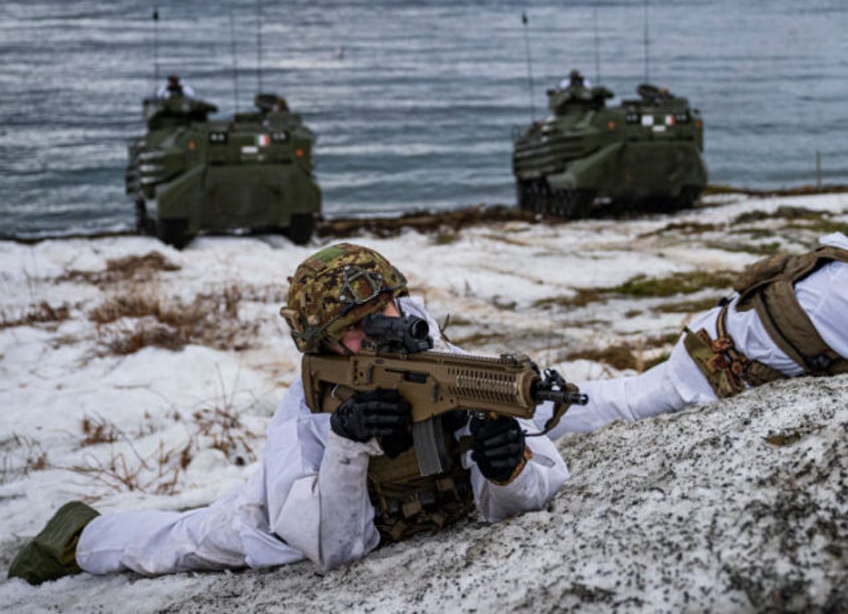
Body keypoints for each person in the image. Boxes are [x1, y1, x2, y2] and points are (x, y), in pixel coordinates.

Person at [8, 243, 569, 585]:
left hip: (402, 512)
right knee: (173, 543)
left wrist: (509, 470)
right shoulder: (306, 407)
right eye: (355, 328)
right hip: (280, 518)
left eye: (385, 311)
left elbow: (538, 484)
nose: (379, 329)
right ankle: (76, 536)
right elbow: (333, 549)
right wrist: (346, 443)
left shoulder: (453, 370)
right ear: (323, 346)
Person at [537, 231, 848, 437]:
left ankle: (538, 409)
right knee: (625, 406)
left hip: (715, 334)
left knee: (625, 397)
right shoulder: (839, 288)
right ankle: (532, 418)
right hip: (710, 373)